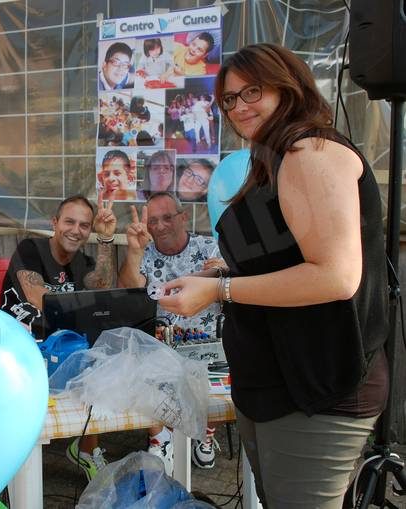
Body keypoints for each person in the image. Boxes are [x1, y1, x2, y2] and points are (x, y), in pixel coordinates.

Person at [158, 43, 389, 507]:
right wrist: (230, 268)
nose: (239, 107)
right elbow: (294, 252)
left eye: (253, 92)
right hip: (274, 382)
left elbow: (335, 277)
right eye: (229, 99)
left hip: (318, 387)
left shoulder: (310, 152)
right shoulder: (274, 157)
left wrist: (219, 289)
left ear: (288, 86)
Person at [0, 194, 117, 481]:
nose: (76, 230)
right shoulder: (31, 250)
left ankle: (86, 450)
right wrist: (88, 307)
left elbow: (102, 288)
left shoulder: (83, 262)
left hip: (64, 347)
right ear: (55, 222)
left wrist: (104, 240)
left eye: (84, 225)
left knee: (102, 363)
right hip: (20, 347)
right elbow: (41, 300)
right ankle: (12, 461)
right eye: (69, 221)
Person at [118, 192, 223, 472]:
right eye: (153, 221)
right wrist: (134, 251)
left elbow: (230, 286)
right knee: (135, 365)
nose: (160, 226)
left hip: (206, 341)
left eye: (167, 217)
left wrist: (224, 272)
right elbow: (129, 288)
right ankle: (160, 438)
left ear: (184, 217)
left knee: (220, 363)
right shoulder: (145, 253)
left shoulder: (210, 248)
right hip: (160, 344)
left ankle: (205, 435)